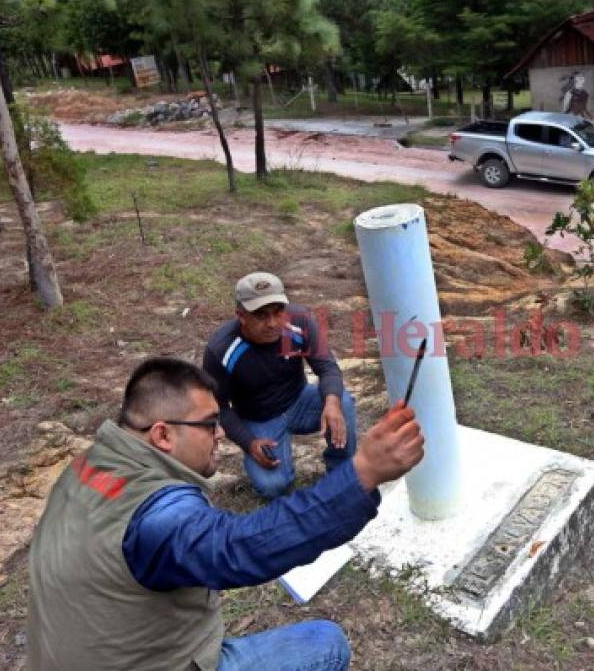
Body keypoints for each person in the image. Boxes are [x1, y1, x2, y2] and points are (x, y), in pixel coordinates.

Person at [27, 357, 424, 670]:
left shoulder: (87, 465)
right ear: (162, 434)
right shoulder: (156, 517)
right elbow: (241, 547)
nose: (220, 435)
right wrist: (364, 472)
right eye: (210, 425)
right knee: (325, 644)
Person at [203, 272, 355, 499]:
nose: (273, 323)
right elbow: (219, 407)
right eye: (261, 315)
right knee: (273, 486)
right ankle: (280, 466)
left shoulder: (300, 321)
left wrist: (331, 404)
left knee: (342, 401)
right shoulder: (221, 350)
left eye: (278, 312)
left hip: (300, 400)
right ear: (241, 315)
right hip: (259, 420)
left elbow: (327, 367)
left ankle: (341, 472)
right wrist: (249, 442)